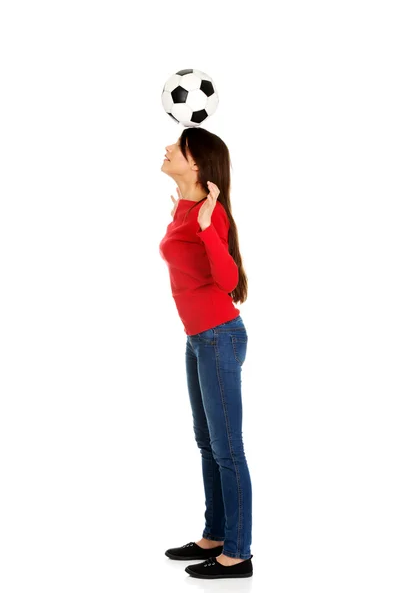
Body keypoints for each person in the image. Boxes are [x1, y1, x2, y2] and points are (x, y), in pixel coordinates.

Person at [159, 127, 253, 579]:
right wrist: (184, 213)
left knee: (227, 448)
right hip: (200, 338)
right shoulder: (183, 206)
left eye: (176, 148)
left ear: (196, 164)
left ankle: (238, 552)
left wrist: (204, 228)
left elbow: (227, 278)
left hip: (219, 336)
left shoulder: (209, 215)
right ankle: (214, 534)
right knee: (207, 443)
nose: (167, 149)